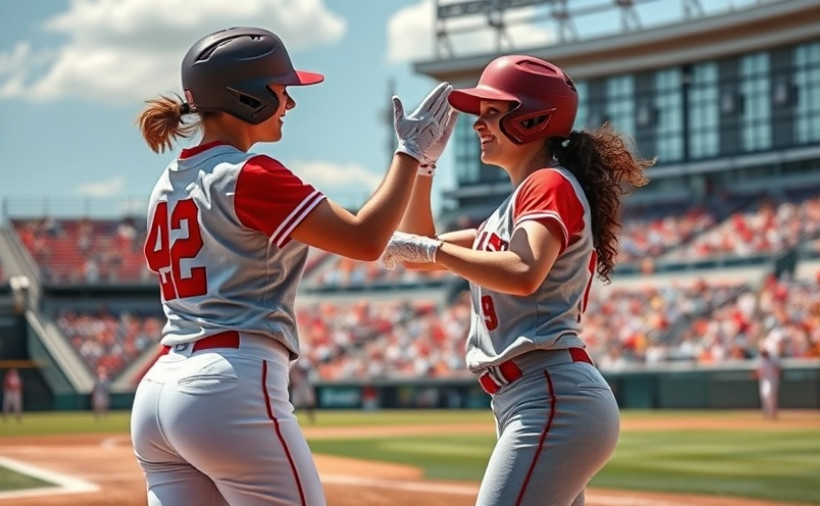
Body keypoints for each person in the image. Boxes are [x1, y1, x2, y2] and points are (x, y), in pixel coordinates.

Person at [129, 26, 454, 506]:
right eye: (282, 90)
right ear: (249, 96)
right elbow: (365, 238)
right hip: (228, 384)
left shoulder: (170, 178)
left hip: (160, 388)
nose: (290, 102)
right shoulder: (251, 173)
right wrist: (410, 155)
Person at [382, 54, 654, 505]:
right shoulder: (515, 206)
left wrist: (436, 251)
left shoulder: (548, 183)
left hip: (551, 396)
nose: (477, 124)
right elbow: (418, 248)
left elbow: (524, 272)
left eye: (493, 112)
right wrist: (423, 166)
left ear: (533, 119)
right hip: (535, 397)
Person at [754, 348, 780, 420]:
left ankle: (773, 413)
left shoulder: (774, 358)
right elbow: (758, 371)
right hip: (764, 380)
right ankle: (766, 412)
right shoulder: (760, 359)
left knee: (772, 397)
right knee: (764, 395)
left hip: (773, 379)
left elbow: (778, 369)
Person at [288, 358, 316, 423]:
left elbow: (309, 368)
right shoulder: (293, 363)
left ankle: (311, 418)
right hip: (298, 386)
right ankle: (292, 418)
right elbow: (292, 372)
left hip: (305, 384)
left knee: (308, 402)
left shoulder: (304, 362)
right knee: (295, 403)